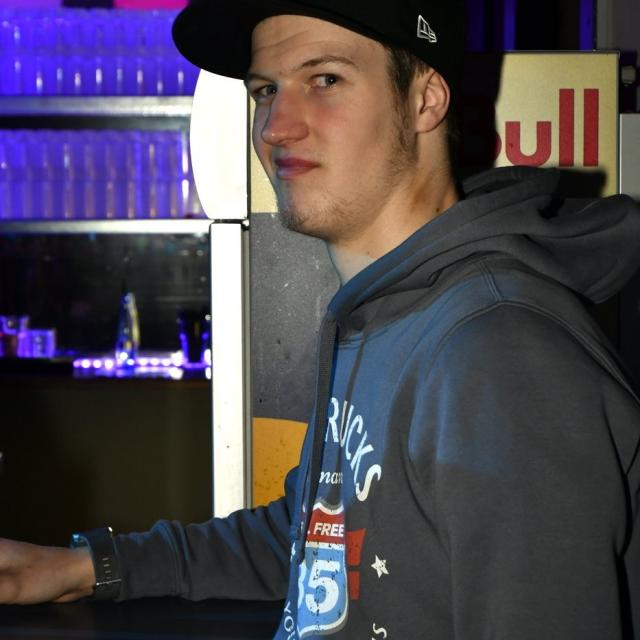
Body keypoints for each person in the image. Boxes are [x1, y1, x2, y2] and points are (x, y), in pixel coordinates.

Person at [2, 0, 640, 637]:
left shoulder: (501, 356)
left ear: (425, 100)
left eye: (325, 79)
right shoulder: (387, 312)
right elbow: (315, 535)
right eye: (265, 91)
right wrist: (89, 568)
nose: (276, 127)